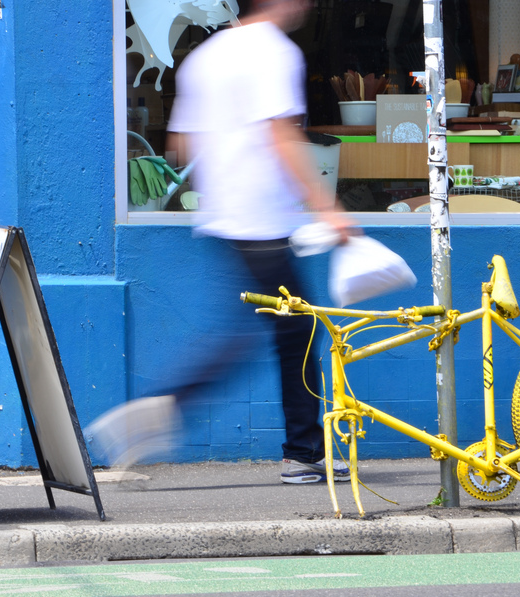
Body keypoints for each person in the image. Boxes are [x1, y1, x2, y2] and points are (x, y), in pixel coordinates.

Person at [87, 0, 353, 484]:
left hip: (226, 214)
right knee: (292, 331)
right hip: (261, 217)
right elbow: (281, 137)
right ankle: (294, 451)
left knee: (276, 330)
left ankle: (290, 446)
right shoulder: (274, 51)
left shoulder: (207, 55)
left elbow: (180, 144)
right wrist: (326, 206)